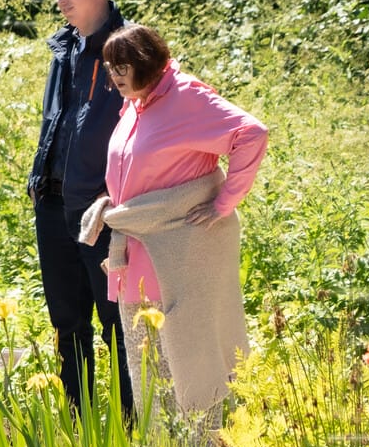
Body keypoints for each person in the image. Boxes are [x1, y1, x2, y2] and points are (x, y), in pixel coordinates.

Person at [92, 24, 267, 417]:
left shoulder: (185, 95)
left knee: (191, 368)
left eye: (123, 66)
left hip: (179, 256)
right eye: (110, 68)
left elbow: (252, 134)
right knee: (146, 371)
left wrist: (224, 202)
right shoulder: (135, 102)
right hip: (136, 252)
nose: (116, 76)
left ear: (147, 63)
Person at [30, 0, 133, 416]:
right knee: (66, 319)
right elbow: (57, 120)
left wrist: (118, 192)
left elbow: (145, 123)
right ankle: (80, 421)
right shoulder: (64, 47)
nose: (60, 2)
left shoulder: (130, 47)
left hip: (102, 207)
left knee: (117, 322)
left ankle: (133, 426)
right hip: (53, 204)